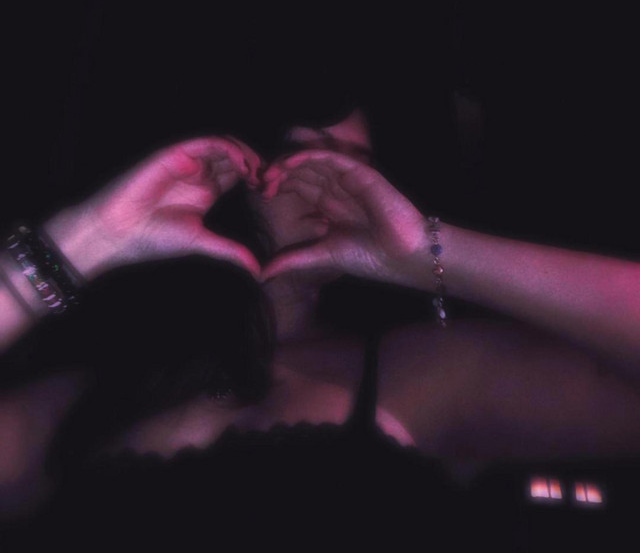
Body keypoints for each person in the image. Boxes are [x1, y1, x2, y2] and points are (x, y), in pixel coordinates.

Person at [1, 108, 640, 548]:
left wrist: (433, 252)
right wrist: (86, 240)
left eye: (359, 164)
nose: (333, 184)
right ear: (223, 168)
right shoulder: (90, 396)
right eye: (302, 153)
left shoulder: (420, 371)